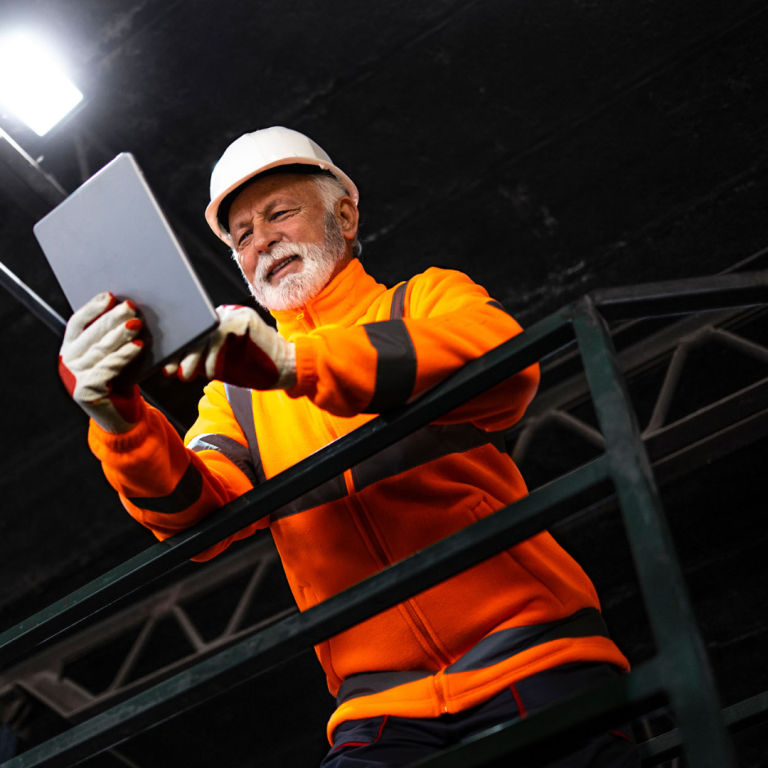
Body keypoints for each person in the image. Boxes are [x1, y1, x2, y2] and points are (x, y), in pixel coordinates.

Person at [58, 127, 638, 767]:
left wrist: (293, 362)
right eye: (243, 235)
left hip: (534, 653)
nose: (263, 241)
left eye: (280, 213)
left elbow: (505, 362)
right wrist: (118, 419)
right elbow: (198, 518)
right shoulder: (236, 398)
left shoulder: (421, 299)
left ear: (345, 212)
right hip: (378, 712)